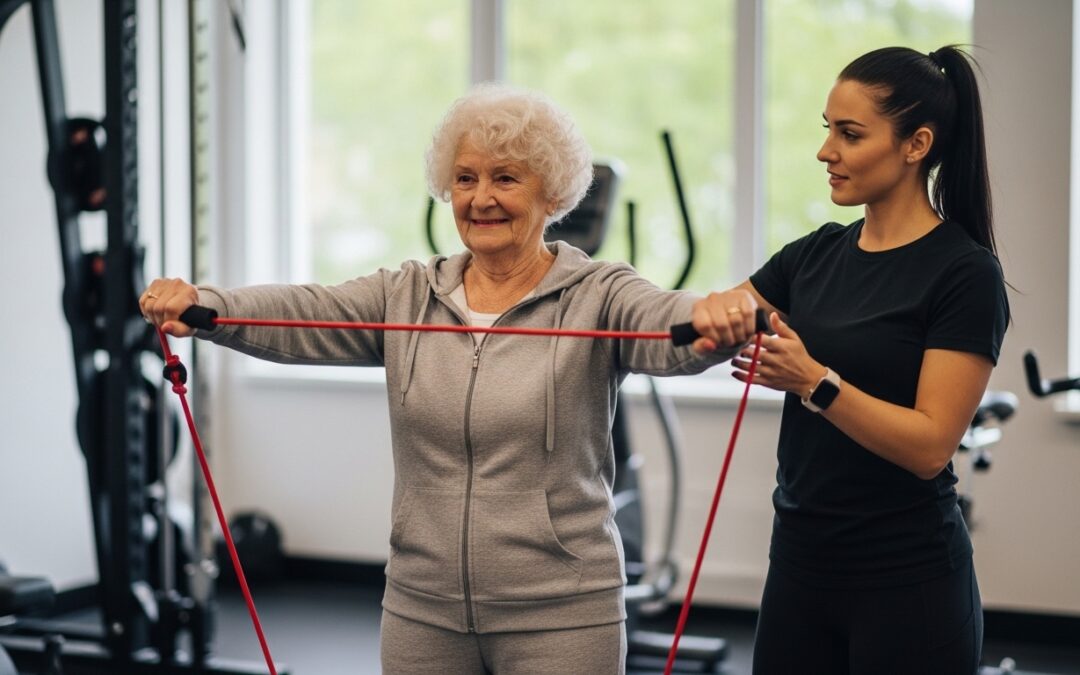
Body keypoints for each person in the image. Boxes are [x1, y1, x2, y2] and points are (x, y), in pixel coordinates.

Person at [140, 82, 756, 675]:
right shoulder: (408, 293)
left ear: (552, 195)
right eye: (465, 178)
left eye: (505, 178)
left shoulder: (598, 294)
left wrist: (707, 317)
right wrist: (206, 304)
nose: (480, 198)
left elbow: (665, 323)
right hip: (421, 606)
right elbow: (305, 310)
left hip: (563, 610)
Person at [723, 46, 1008, 674]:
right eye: (827, 129)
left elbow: (931, 444)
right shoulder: (814, 254)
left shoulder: (963, 273)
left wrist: (815, 382)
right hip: (799, 565)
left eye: (850, 134)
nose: (827, 151)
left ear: (916, 144)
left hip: (908, 580)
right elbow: (708, 319)